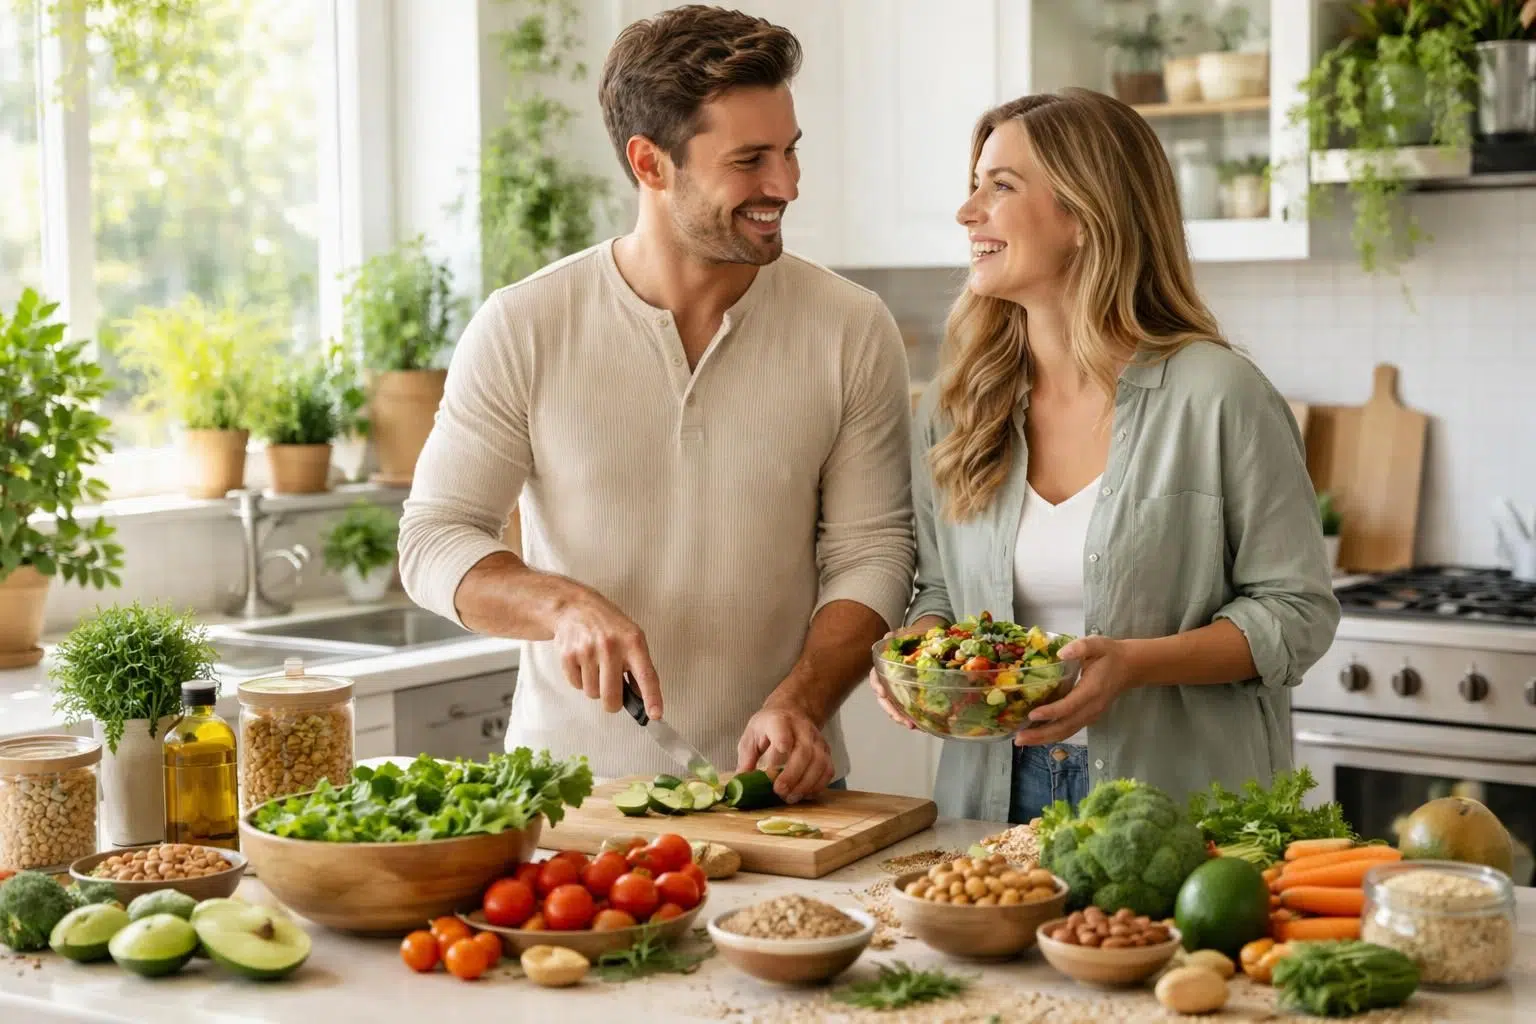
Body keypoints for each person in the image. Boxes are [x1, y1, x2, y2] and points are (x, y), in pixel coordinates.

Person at [398, 5, 915, 803]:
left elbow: (872, 552)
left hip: (778, 792)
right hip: (568, 799)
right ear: (650, 163)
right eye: (750, 161)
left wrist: (802, 701)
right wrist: (561, 605)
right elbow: (432, 541)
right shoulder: (526, 324)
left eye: (790, 151)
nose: (786, 186)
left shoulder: (850, 328)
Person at [871, 89, 1340, 825]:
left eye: (1001, 187)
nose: (968, 213)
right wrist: (926, 659)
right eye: (974, 186)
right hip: (995, 799)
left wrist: (1134, 666)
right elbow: (939, 592)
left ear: (1085, 217)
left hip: (1179, 805)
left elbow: (1298, 612)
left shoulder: (1218, 396)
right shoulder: (957, 408)